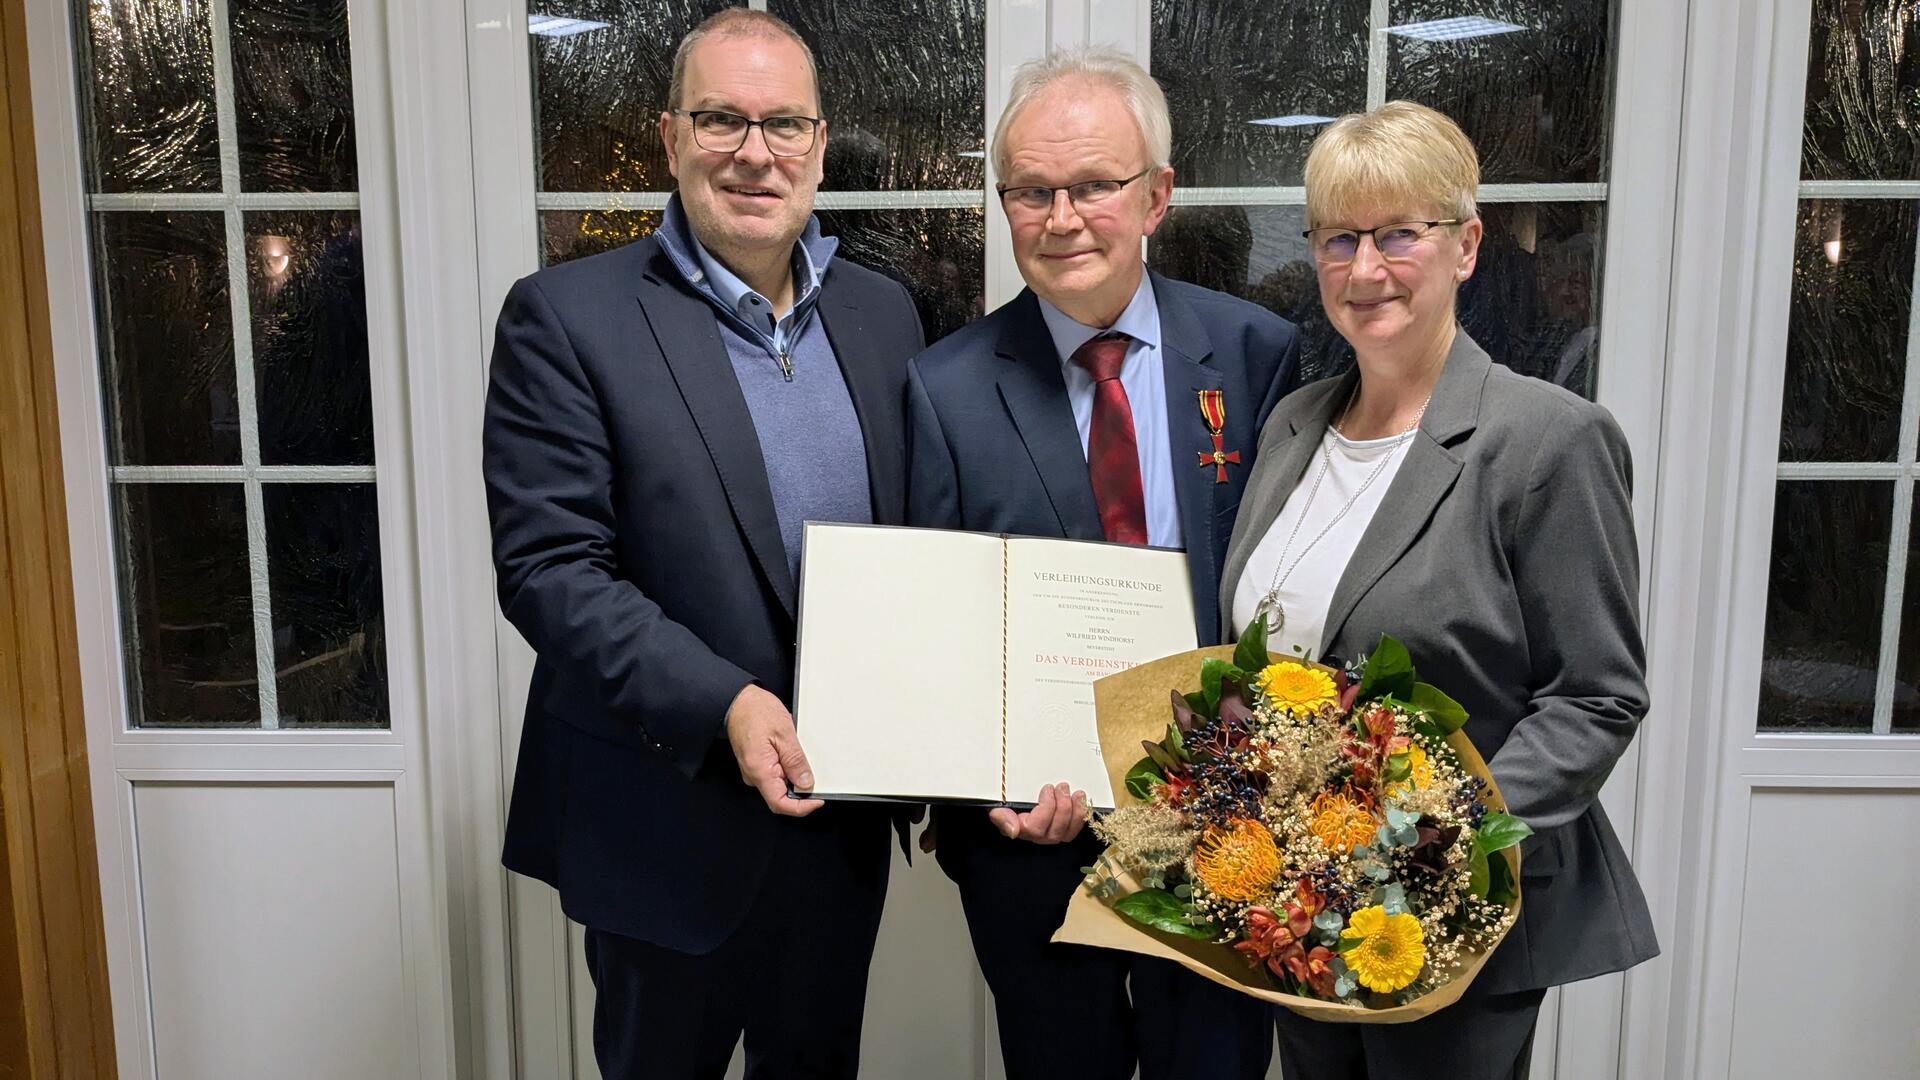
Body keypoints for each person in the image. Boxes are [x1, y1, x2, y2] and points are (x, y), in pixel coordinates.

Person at [481, 10, 925, 1078]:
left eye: (784, 124)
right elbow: (549, 570)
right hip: (661, 821)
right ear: (673, 138)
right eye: (723, 119)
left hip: (837, 819)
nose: (755, 152)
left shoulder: (886, 315)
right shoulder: (567, 317)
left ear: (821, 145)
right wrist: (725, 702)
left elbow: (917, 553)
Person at [1219, 100, 1657, 1079]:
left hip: (1454, 916)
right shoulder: (1294, 425)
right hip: (1300, 904)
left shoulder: (1547, 440)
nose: (1365, 268)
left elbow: (1597, 693)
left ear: (1467, 245)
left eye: (1399, 235)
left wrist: (1437, 836)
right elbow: (1266, 653)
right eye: (1339, 237)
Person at [905, 46, 1301, 1080]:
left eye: (1093, 185)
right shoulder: (942, 389)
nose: (1062, 215)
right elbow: (935, 620)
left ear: (1158, 195)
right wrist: (975, 785)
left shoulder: (1259, 355)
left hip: (1225, 820)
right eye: (1031, 190)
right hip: (1033, 838)